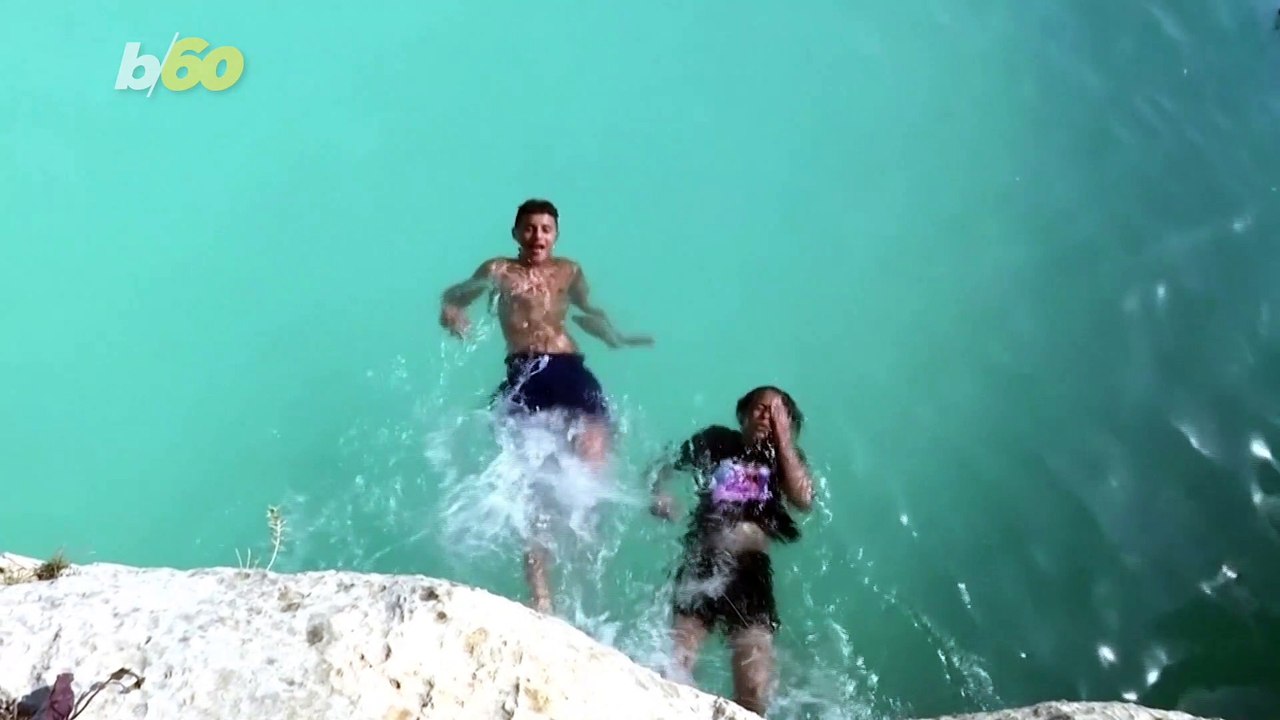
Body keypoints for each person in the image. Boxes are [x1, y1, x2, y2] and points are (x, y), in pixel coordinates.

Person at [438, 198, 653, 614]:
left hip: (569, 365)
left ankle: (587, 556)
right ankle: (541, 595)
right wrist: (450, 310)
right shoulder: (498, 270)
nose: (538, 236)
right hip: (527, 372)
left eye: (546, 229)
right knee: (530, 480)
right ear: (516, 232)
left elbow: (587, 310)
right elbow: (459, 292)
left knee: (591, 460)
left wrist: (614, 336)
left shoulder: (569, 271)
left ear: (556, 235)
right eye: (530, 228)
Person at [648, 385, 814, 717]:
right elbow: (663, 467)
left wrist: (783, 439)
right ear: (743, 414)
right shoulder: (717, 441)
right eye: (760, 408)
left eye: (776, 411)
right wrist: (659, 492)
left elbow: (804, 500)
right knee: (676, 665)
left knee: (755, 689)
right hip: (704, 561)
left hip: (751, 571)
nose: (767, 415)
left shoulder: (785, 460)